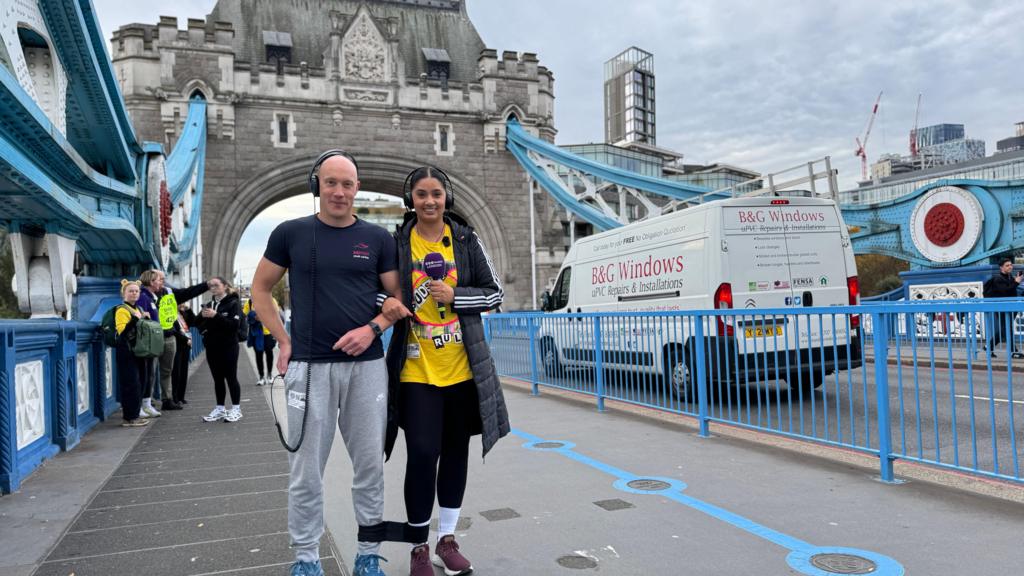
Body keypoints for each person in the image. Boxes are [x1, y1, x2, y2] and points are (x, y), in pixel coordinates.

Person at [251, 150, 410, 576]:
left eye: (347, 184)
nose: (339, 192)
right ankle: (305, 560)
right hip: (308, 366)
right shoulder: (291, 234)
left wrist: (372, 329)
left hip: (367, 369)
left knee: (370, 467)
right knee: (305, 472)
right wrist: (282, 341)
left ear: (357, 188)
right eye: (331, 183)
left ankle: (368, 555)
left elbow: (399, 303)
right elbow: (260, 290)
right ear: (316, 185)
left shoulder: (379, 239)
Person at [383, 166, 509, 576]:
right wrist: (385, 305)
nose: (430, 201)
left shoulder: (466, 239)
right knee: (421, 454)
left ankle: (447, 539)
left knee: (456, 453)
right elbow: (375, 289)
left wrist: (457, 296)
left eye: (436, 193)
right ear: (411, 200)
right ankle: (419, 545)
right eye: (421, 194)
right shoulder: (398, 242)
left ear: (446, 197)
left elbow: (494, 294)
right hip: (417, 369)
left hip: (462, 368)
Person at [137, 269, 210, 413]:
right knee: (150, 371)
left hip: (170, 336)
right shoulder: (144, 296)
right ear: (151, 281)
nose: (163, 282)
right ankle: (146, 402)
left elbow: (185, 296)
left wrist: (206, 285)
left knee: (167, 370)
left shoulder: (168, 293)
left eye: (163, 279)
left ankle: (167, 399)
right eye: (160, 279)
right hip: (153, 339)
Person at [196, 277, 245, 422]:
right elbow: (196, 323)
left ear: (225, 286)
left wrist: (215, 316)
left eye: (216, 285)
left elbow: (233, 326)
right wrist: (200, 323)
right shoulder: (210, 304)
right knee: (217, 379)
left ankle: (236, 409)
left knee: (231, 377)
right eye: (211, 286)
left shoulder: (233, 303)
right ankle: (220, 408)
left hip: (229, 346)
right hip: (212, 347)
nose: (213, 288)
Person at [114, 280, 150, 428]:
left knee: (140, 382)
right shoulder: (122, 310)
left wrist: (143, 318)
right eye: (131, 291)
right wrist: (136, 318)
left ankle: (135, 414)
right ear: (124, 293)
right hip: (127, 352)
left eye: (137, 291)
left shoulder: (139, 308)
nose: (134, 293)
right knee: (131, 384)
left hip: (139, 351)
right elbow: (123, 332)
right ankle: (129, 418)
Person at [982, 257, 1023, 358]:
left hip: (1010, 306)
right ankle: (1014, 352)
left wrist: (1016, 281)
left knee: (1005, 329)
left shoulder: (1010, 277)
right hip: (1001, 307)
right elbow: (1004, 291)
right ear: (1001, 268)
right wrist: (1016, 282)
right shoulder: (998, 279)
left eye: (1011, 265)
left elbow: (1012, 291)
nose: (1010, 267)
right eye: (1007, 265)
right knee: (1006, 329)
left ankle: (989, 346)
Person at [244, 295, 282, 385]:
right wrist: (253, 317)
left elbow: (276, 315)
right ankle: (261, 377)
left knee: (269, 353)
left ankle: (269, 375)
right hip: (256, 334)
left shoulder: (271, 300)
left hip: (269, 332)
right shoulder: (249, 302)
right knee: (258, 354)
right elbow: (244, 316)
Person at [172, 302, 197, 404]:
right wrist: (185, 339)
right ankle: (175, 397)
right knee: (176, 372)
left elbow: (194, 321)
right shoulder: (170, 314)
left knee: (184, 371)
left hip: (186, 345)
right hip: (178, 344)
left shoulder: (182, 314)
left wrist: (188, 309)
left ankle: (181, 396)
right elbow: (174, 330)